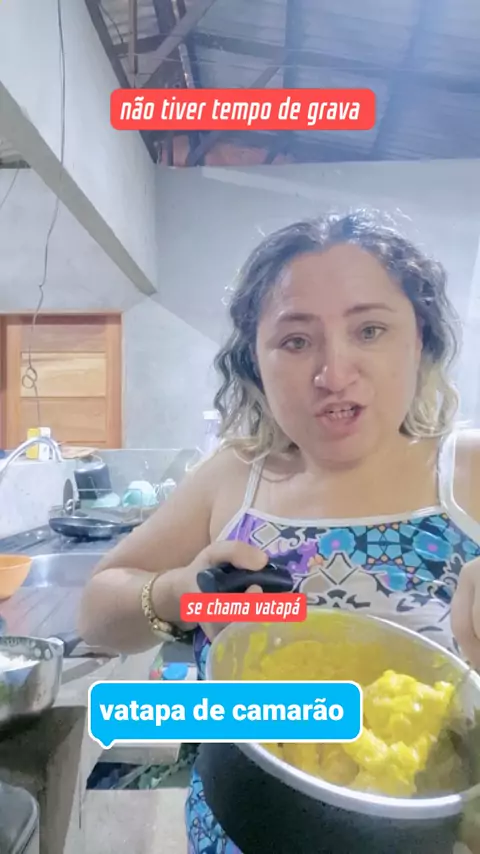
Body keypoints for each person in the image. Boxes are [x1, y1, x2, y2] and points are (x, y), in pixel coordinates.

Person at [79, 210, 480, 854]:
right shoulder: (234, 477)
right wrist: (184, 595)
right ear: (255, 363)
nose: (334, 372)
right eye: (296, 341)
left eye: (370, 330)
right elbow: (99, 614)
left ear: (420, 343)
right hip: (238, 827)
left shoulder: (467, 473)